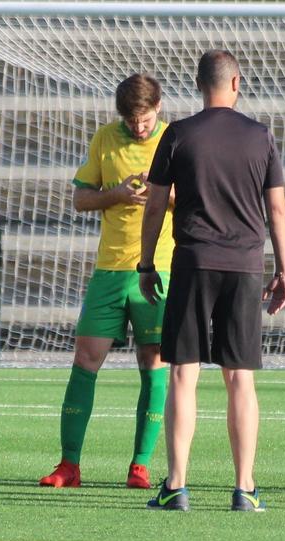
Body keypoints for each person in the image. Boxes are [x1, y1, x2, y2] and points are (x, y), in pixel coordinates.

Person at [139, 49, 285, 512]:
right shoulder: (260, 136)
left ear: (200, 84)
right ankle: (244, 488)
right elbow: (278, 209)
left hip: (193, 260)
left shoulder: (177, 134)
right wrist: (284, 269)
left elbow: (154, 204)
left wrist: (146, 263)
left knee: (183, 373)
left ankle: (177, 486)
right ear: (236, 82)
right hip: (245, 265)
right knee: (239, 378)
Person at [39, 73, 172, 490]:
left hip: (159, 269)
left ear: (159, 108)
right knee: (85, 360)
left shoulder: (174, 140)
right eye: (132, 120)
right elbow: (80, 198)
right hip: (110, 271)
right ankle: (69, 465)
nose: (139, 127)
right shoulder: (104, 139)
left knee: (154, 363)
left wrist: (160, 196)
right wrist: (114, 194)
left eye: (145, 119)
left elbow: (194, 203)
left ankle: (140, 465)